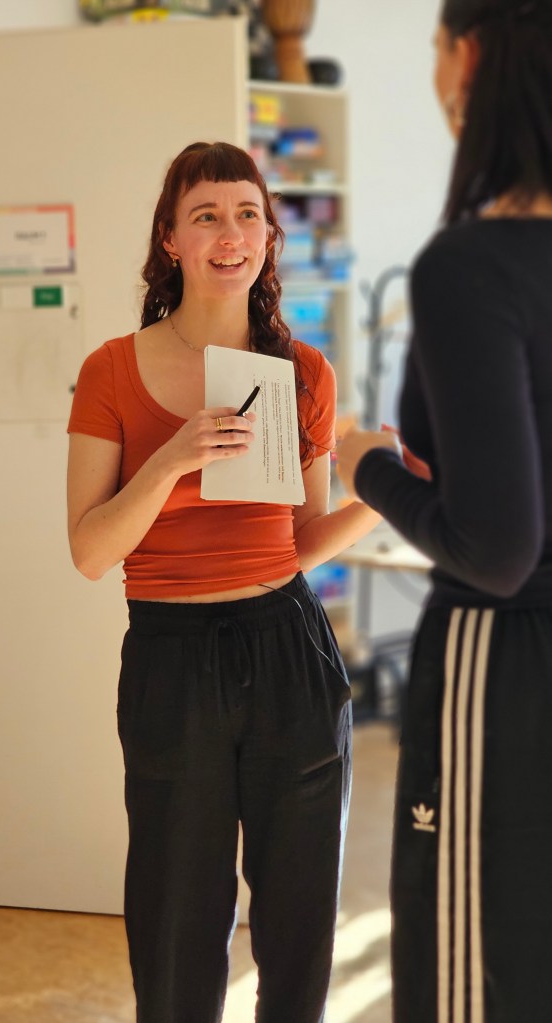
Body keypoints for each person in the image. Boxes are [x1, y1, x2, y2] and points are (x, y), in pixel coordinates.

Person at [67, 140, 381, 1023]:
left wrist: (386, 498)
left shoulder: (301, 372)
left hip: (288, 648)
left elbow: (298, 542)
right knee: (176, 913)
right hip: (170, 657)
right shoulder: (110, 371)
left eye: (248, 214)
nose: (230, 232)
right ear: (170, 239)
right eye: (205, 215)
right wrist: (172, 459)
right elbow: (90, 551)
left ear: (270, 237)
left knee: (299, 913)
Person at [337, 2, 552, 1021]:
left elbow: (497, 548)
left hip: (505, 665)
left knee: (475, 979)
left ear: (469, 58)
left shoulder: (470, 266)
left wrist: (368, 468)